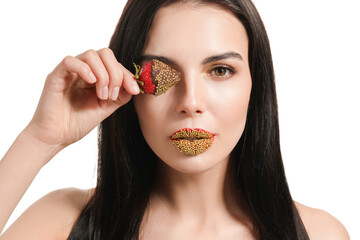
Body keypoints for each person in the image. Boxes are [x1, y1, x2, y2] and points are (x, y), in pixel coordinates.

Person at [0, 0, 350, 239]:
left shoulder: (318, 233)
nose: (191, 102)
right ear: (128, 86)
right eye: (161, 74)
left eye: (221, 70)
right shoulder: (62, 222)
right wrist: (39, 140)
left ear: (254, 86)